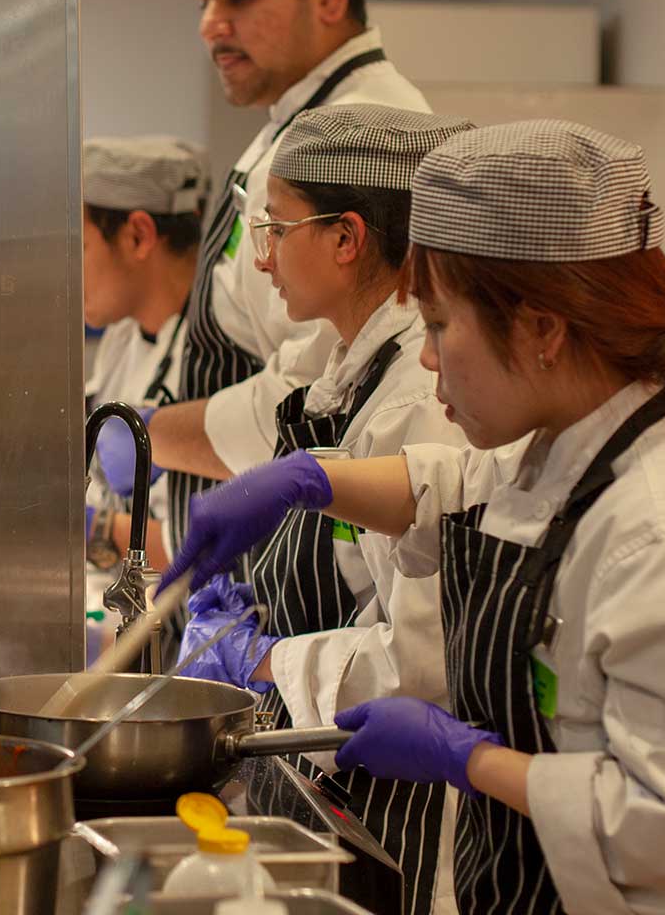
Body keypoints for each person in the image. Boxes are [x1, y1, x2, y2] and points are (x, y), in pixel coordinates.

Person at [166, 121, 665, 914]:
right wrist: (308, 481)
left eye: (443, 325)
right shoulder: (571, 448)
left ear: (541, 330)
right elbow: (464, 486)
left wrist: (470, 760)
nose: (427, 356)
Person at [171, 103, 471, 915]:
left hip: (408, 811)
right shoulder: (347, 361)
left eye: (276, 230)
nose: (261, 260)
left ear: (346, 239)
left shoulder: (423, 390)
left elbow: (425, 657)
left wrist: (260, 660)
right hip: (342, 779)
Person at [101, 0, 431, 559]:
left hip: (297, 555)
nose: (210, 24)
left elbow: (316, 391)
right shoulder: (297, 122)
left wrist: (153, 432)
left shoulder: (354, 133)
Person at [81, 136, 206, 563]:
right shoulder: (123, 334)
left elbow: (207, 548)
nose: (67, 273)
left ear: (138, 236)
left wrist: (87, 528)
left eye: (78, 248)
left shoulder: (215, 360)